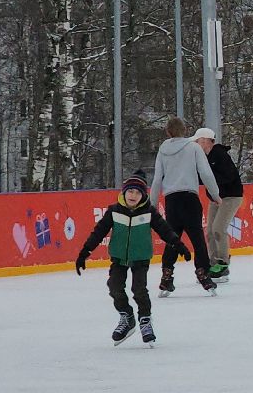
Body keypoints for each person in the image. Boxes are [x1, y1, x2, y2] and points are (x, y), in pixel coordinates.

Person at [76, 174, 190, 345]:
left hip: (140, 258)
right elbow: (99, 232)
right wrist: (85, 252)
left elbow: (165, 230)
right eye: (130, 191)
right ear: (124, 193)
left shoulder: (149, 212)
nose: (133, 195)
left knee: (139, 290)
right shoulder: (114, 211)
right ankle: (127, 316)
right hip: (119, 257)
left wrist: (178, 245)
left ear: (143, 195)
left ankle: (145, 320)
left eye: (138, 192)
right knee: (114, 287)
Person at [149, 116, 219, 296]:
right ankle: (203, 273)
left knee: (173, 239)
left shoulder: (163, 150)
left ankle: (166, 276)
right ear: (185, 130)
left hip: (171, 200)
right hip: (189, 198)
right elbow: (206, 173)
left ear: (167, 132)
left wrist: (153, 203)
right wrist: (215, 194)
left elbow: (157, 179)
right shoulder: (193, 147)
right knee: (197, 238)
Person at [194, 128, 243, 280]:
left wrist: (211, 181)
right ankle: (213, 262)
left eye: (198, 141)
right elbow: (203, 178)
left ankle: (222, 263)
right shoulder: (204, 157)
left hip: (231, 196)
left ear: (206, 141)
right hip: (216, 198)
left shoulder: (219, 155)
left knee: (218, 229)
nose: (196, 144)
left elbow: (229, 175)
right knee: (209, 231)